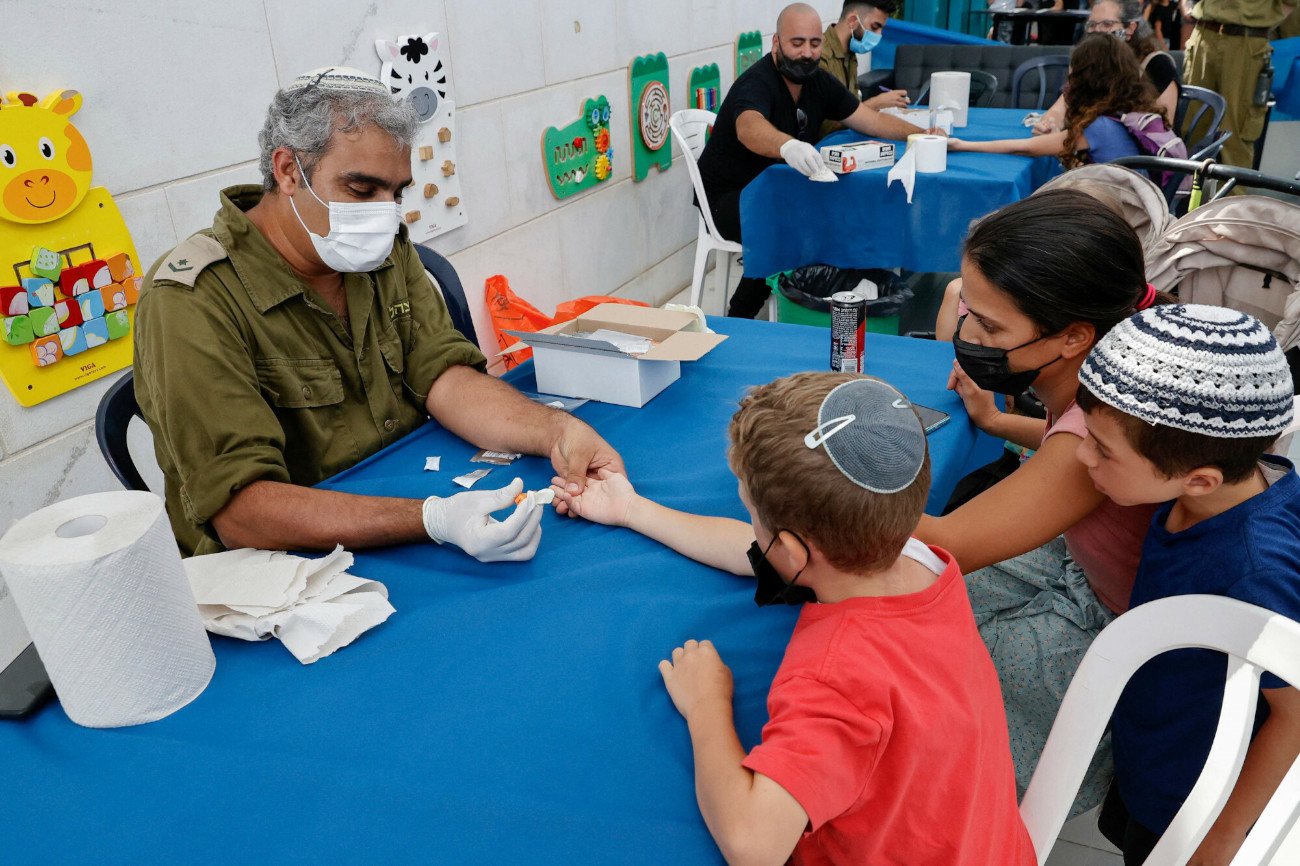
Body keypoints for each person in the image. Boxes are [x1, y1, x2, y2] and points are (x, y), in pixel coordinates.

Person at [134, 67, 623, 559]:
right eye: (362, 190)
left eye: (397, 192)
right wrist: (432, 519)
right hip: (291, 562)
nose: (385, 215)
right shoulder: (192, 299)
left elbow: (443, 377)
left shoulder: (382, 250)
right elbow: (243, 511)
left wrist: (557, 432)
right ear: (288, 171)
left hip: (407, 503)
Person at [553, 374, 1035, 865]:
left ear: (792, 550)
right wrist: (632, 509)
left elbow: (752, 845)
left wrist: (705, 705)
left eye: (751, 511)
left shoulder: (838, 676)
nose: (752, 527)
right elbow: (756, 552)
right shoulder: (916, 557)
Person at [912, 190, 1167, 811]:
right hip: (1076, 562)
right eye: (967, 309)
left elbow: (943, 545)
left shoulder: (1092, 432)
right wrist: (1000, 423)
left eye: (989, 325)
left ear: (1074, 336)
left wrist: (803, 488)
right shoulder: (1107, 364)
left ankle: (979, 816)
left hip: (1111, 619)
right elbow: (1060, 449)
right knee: (924, 623)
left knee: (925, 677)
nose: (967, 333)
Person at [1075, 304, 1300, 864]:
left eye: (1101, 449)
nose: (1081, 455)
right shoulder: (1209, 483)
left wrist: (1222, 837)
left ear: (1200, 480)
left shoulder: (1255, 570)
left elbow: (1297, 710)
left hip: (1197, 800)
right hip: (1155, 751)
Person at [695, 2, 930, 319]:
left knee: (835, 212)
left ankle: (846, 301)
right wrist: (787, 146)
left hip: (776, 190)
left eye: (814, 43)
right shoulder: (757, 82)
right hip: (727, 198)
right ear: (776, 43)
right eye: (797, 43)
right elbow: (748, 127)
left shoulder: (818, 81)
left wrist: (925, 135)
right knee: (795, 225)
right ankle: (740, 316)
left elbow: (870, 120)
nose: (807, 53)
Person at [952, 34, 1177, 169]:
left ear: (1087, 78)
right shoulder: (1129, 112)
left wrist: (962, 145)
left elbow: (1025, 147)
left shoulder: (1100, 127)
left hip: (1122, 215)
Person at [1033, 0, 1180, 133]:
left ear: (1130, 28)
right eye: (1092, 25)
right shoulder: (1087, 63)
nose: (1098, 31)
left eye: (1107, 24)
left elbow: (1164, 130)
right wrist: (1050, 125)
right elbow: (1061, 108)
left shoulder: (1157, 64)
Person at [1184, 0, 1293, 170]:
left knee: (1234, 138)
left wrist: (1259, 23)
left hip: (1245, 42)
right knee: (1192, 128)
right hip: (1203, 34)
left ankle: (1233, 188)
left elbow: (1290, 3)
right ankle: (1184, 186)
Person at [818, 0, 910, 138]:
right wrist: (876, 103)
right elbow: (824, 127)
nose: (879, 35)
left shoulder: (850, 54)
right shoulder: (819, 57)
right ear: (853, 21)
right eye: (875, 27)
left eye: (881, 29)